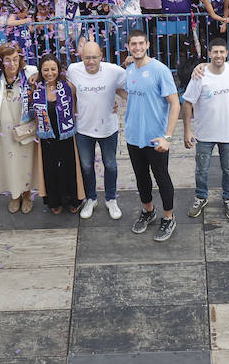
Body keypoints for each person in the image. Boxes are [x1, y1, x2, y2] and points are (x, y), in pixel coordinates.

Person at [120, 29, 180, 241]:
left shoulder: (160, 70)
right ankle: (148, 211)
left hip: (156, 138)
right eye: (133, 44)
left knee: (162, 177)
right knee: (141, 179)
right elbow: (129, 93)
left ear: (147, 45)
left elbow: (175, 103)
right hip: (134, 137)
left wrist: (168, 137)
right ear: (128, 47)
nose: (137, 47)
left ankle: (169, 217)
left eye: (140, 43)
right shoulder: (128, 70)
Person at [181, 36, 229, 219]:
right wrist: (187, 130)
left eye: (222, 52)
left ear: (227, 53)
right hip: (204, 134)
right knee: (201, 169)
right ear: (209, 54)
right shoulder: (199, 75)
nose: (218, 55)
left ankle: (228, 198)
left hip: (228, 133)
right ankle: (201, 197)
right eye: (215, 52)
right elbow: (187, 103)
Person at [67, 41, 125, 220]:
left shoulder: (114, 71)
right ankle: (91, 198)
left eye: (94, 57)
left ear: (101, 56)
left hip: (108, 128)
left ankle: (110, 199)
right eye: (86, 58)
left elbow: (130, 85)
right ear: (81, 57)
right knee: (86, 166)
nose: (90, 61)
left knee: (110, 165)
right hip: (83, 128)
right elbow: (69, 91)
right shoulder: (73, 70)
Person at [0, 43, 39, 213]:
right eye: (8, 60)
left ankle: (27, 195)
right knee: (9, 162)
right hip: (2, 130)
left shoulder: (30, 73)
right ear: (1, 61)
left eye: (15, 59)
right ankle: (15, 195)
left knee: (25, 161)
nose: (12, 64)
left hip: (24, 127)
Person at [30, 53, 83, 213]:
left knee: (69, 168)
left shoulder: (68, 86)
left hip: (65, 134)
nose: (49, 73)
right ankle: (55, 201)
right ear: (40, 71)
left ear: (59, 70)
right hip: (47, 136)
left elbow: (79, 105)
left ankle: (73, 200)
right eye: (45, 70)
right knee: (51, 170)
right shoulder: (36, 88)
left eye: (53, 69)